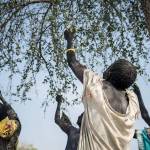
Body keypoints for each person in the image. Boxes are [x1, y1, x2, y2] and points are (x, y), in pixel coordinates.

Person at [64, 29, 142, 150]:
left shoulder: (98, 87)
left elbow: (72, 62)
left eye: (108, 67)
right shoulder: (133, 102)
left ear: (109, 73)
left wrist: (69, 39)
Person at [133, 84, 150, 150]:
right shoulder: (143, 135)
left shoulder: (143, 135)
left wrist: (138, 94)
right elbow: (145, 115)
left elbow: (145, 115)